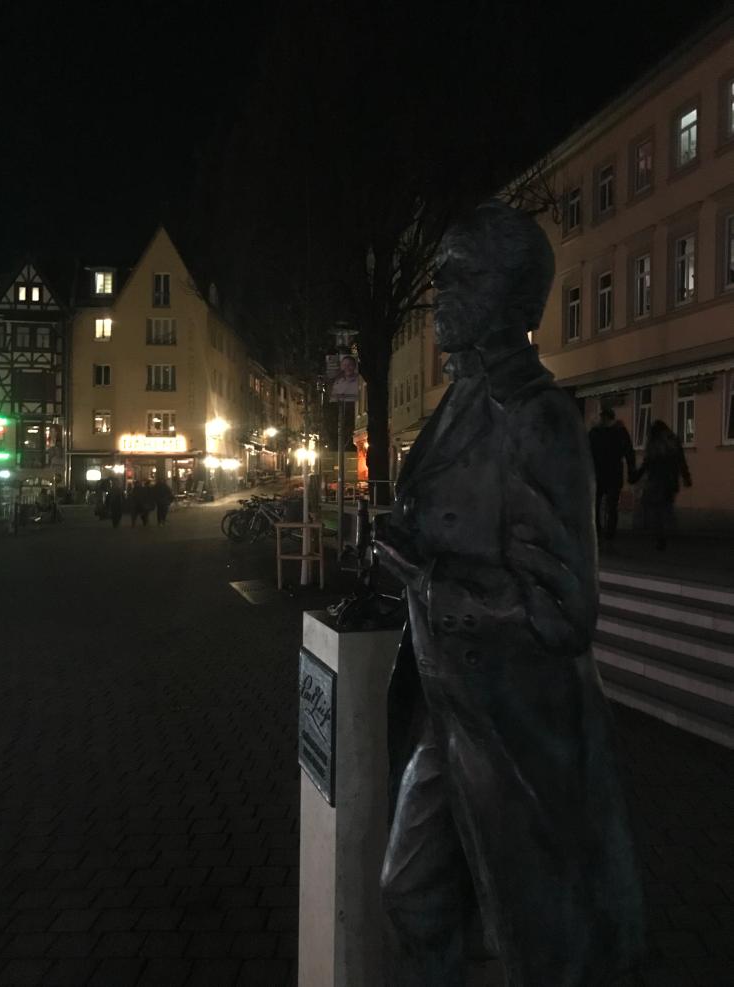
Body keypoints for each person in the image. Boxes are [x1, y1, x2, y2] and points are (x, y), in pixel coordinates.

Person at [373, 201, 643, 986]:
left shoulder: (541, 417)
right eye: (440, 274)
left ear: (508, 295)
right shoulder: (456, 400)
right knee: (410, 892)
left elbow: (564, 609)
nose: (440, 292)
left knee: (540, 940)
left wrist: (429, 578)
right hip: (448, 707)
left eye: (460, 274)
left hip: (519, 728)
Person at [634, 419, 692, 550]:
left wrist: (636, 476)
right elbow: (681, 461)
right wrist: (686, 477)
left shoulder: (654, 444)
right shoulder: (673, 441)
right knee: (666, 507)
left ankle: (661, 536)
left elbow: (647, 463)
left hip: (656, 481)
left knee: (655, 509)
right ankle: (668, 530)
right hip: (670, 481)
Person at [587, 407, 635, 543]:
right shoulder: (619, 432)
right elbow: (629, 452)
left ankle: (600, 532)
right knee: (610, 505)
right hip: (612, 473)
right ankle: (608, 533)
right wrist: (631, 471)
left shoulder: (595, 432)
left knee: (600, 505)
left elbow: (586, 452)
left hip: (600, 474)